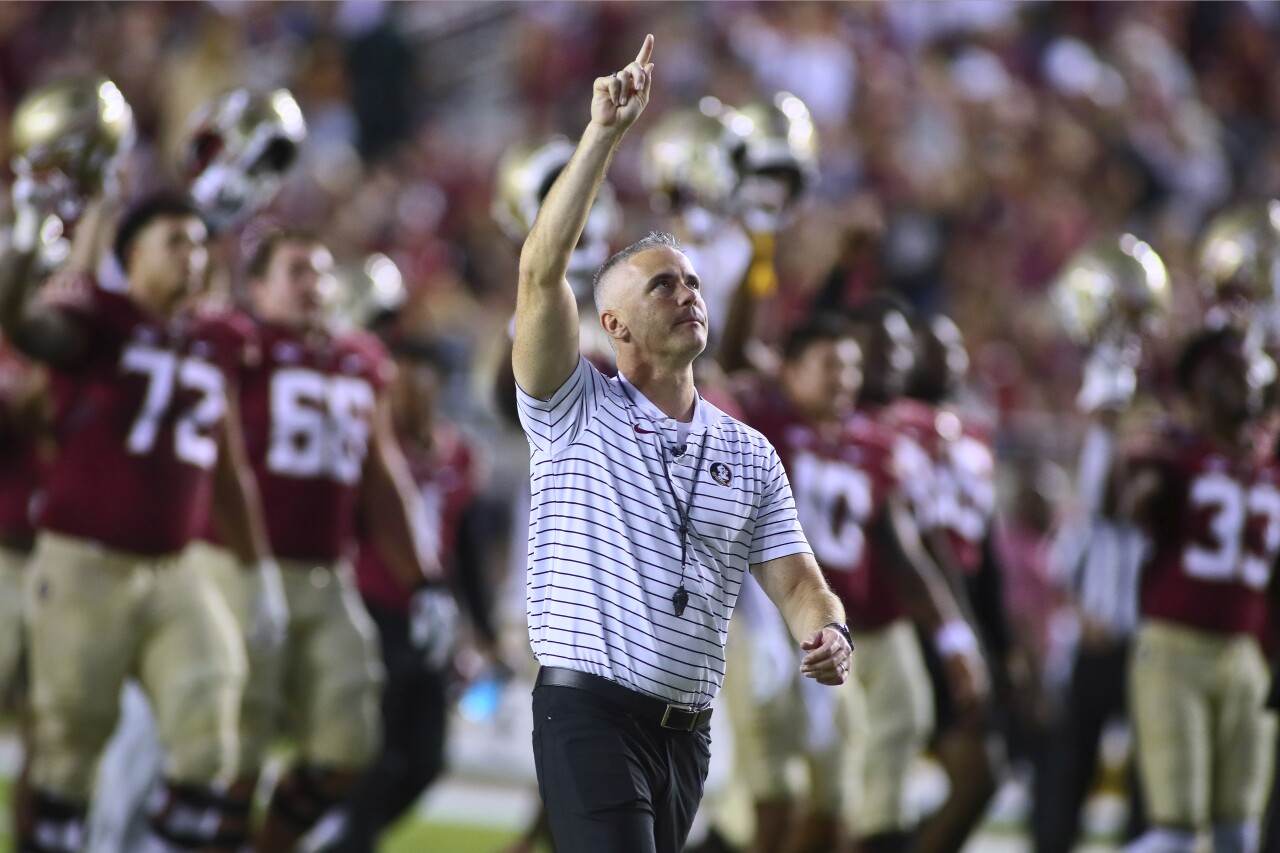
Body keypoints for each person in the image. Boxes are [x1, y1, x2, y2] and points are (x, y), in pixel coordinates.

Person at [513, 35, 853, 853]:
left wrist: (828, 629)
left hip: (685, 731)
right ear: (614, 323)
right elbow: (540, 270)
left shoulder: (750, 449)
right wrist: (603, 135)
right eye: (662, 283)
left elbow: (799, 579)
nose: (688, 292)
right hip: (587, 708)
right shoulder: (572, 404)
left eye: (694, 281)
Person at [0, 192, 288, 853]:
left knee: (211, 726)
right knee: (69, 747)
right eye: (176, 243)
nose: (194, 256)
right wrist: (19, 249)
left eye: (199, 243)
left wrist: (258, 568)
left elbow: (228, 469)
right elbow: (24, 325)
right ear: (133, 254)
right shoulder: (100, 316)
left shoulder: (217, 338)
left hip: (178, 565)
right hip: (84, 561)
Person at [184, 230, 439, 851]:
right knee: (235, 748)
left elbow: (384, 477)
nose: (313, 285)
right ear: (258, 286)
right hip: (235, 566)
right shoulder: (240, 346)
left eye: (321, 273)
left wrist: (426, 580)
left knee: (350, 745)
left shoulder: (360, 357)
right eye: (296, 271)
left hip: (328, 575)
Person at [729, 316, 983, 853]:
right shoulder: (762, 424)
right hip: (767, 623)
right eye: (829, 366)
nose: (843, 379)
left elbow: (900, 547)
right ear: (790, 373)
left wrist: (953, 635)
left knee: (835, 795)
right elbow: (728, 359)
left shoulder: (872, 443)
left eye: (850, 367)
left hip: (834, 629)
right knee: (773, 794)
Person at [1109, 327, 1277, 853]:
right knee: (1176, 834)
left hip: (1248, 655)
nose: (1245, 380)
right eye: (1228, 370)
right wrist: (1137, 471)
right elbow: (1128, 507)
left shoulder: (1269, 464)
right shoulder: (1174, 451)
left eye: (1248, 368)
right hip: (1175, 649)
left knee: (1238, 835)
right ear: (1198, 386)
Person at [846, 295, 988, 853]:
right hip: (807, 627)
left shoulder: (899, 435)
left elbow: (920, 544)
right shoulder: (810, 416)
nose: (892, 359)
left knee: (876, 802)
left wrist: (957, 632)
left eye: (901, 347)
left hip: (891, 628)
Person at [894, 313, 1010, 853]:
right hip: (909, 613)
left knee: (981, 775)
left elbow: (984, 547)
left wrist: (1001, 640)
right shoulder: (891, 424)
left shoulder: (974, 435)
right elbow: (918, 535)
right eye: (931, 347)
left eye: (954, 347)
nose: (946, 359)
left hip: (962, 608)